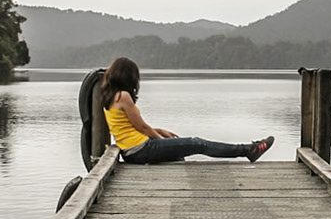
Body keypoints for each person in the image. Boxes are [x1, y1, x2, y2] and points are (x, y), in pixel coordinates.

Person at [100, 57, 273, 164]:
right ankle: (248, 150)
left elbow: (130, 126)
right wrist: (160, 141)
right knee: (197, 143)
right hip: (141, 149)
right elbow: (142, 129)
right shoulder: (123, 96)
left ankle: (247, 150)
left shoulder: (110, 97)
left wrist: (160, 131)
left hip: (133, 151)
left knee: (181, 154)